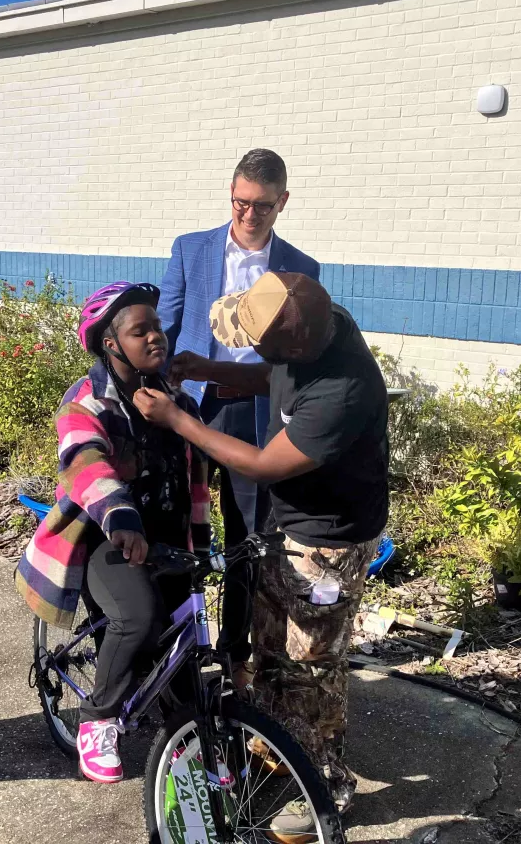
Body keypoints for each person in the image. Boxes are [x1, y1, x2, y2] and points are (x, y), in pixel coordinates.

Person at [136, 271, 389, 828]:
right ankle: (280, 745)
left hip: (330, 541)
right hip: (293, 523)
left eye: (252, 336)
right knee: (270, 643)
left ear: (294, 342)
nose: (244, 341)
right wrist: (212, 371)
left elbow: (259, 463)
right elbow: (278, 372)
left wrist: (176, 418)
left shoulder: (341, 391)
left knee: (313, 665)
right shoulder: (321, 321)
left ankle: (326, 786)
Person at [15, 281, 211, 784]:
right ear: (110, 342)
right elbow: (85, 463)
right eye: (139, 330)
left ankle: (191, 736)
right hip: (103, 537)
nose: (155, 338)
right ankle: (97, 721)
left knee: (182, 634)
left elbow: (195, 478)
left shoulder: (175, 402)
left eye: (158, 327)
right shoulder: (86, 400)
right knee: (139, 617)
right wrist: (121, 518)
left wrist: (202, 536)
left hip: (166, 537)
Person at [156, 148, 321, 686]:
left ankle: (235, 653)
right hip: (195, 407)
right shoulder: (192, 249)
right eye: (239, 203)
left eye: (262, 207)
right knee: (183, 529)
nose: (248, 215)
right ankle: (178, 639)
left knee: (249, 538)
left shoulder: (301, 268)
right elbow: (166, 324)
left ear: (283, 203)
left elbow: (301, 355)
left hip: (256, 414)